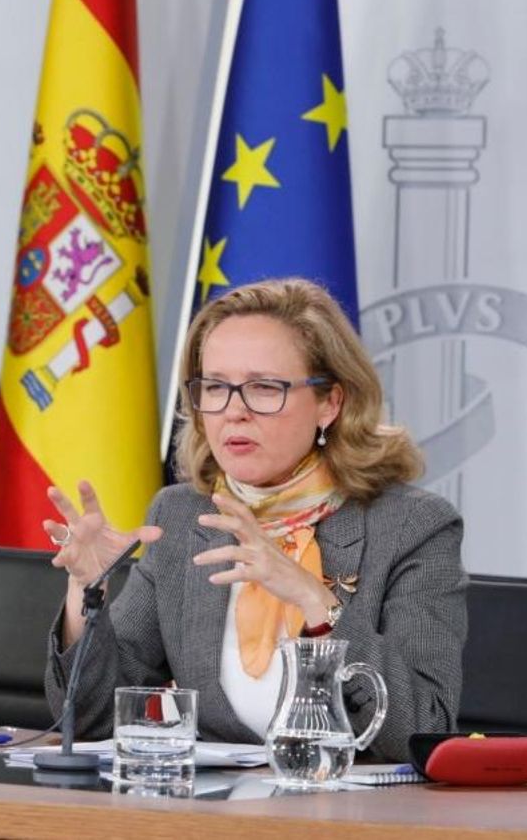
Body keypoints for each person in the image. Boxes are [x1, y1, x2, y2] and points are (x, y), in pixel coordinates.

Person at [43, 278, 465, 762]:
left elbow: (424, 730)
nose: (234, 412)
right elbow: (93, 721)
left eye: (264, 388)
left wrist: (313, 599)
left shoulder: (413, 527)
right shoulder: (183, 517)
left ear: (331, 402)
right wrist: (86, 594)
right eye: (216, 387)